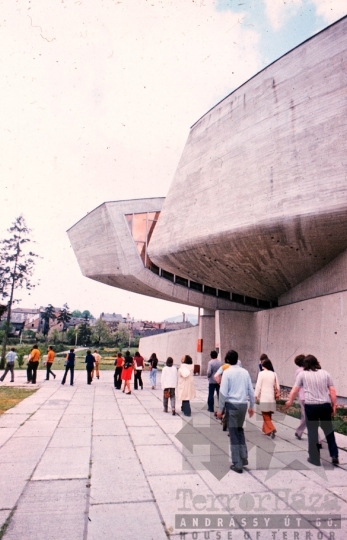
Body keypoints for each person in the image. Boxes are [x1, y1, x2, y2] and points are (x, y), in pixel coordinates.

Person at [286, 354, 339, 467]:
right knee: (328, 430)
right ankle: (334, 455)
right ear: (316, 362)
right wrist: (334, 405)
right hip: (325, 405)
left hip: (311, 406)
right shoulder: (325, 373)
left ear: (305, 364)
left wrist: (290, 401)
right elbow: (332, 391)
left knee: (312, 431)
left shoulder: (302, 374)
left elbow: (295, 390)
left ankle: (314, 458)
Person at [217, 350, 255, 474]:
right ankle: (244, 458)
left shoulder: (227, 373)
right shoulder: (245, 372)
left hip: (232, 405)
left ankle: (237, 463)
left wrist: (220, 409)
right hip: (243, 405)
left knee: (233, 433)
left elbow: (223, 393)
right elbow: (250, 390)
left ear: (227, 360)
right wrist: (252, 406)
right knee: (240, 431)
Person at [254, 358, 279, 438]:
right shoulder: (274, 374)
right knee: (268, 414)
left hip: (264, 396)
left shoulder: (261, 374)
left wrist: (256, 395)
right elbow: (277, 386)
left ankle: (271, 428)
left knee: (265, 414)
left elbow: (258, 386)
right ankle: (266, 430)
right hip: (271, 396)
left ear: (263, 366)